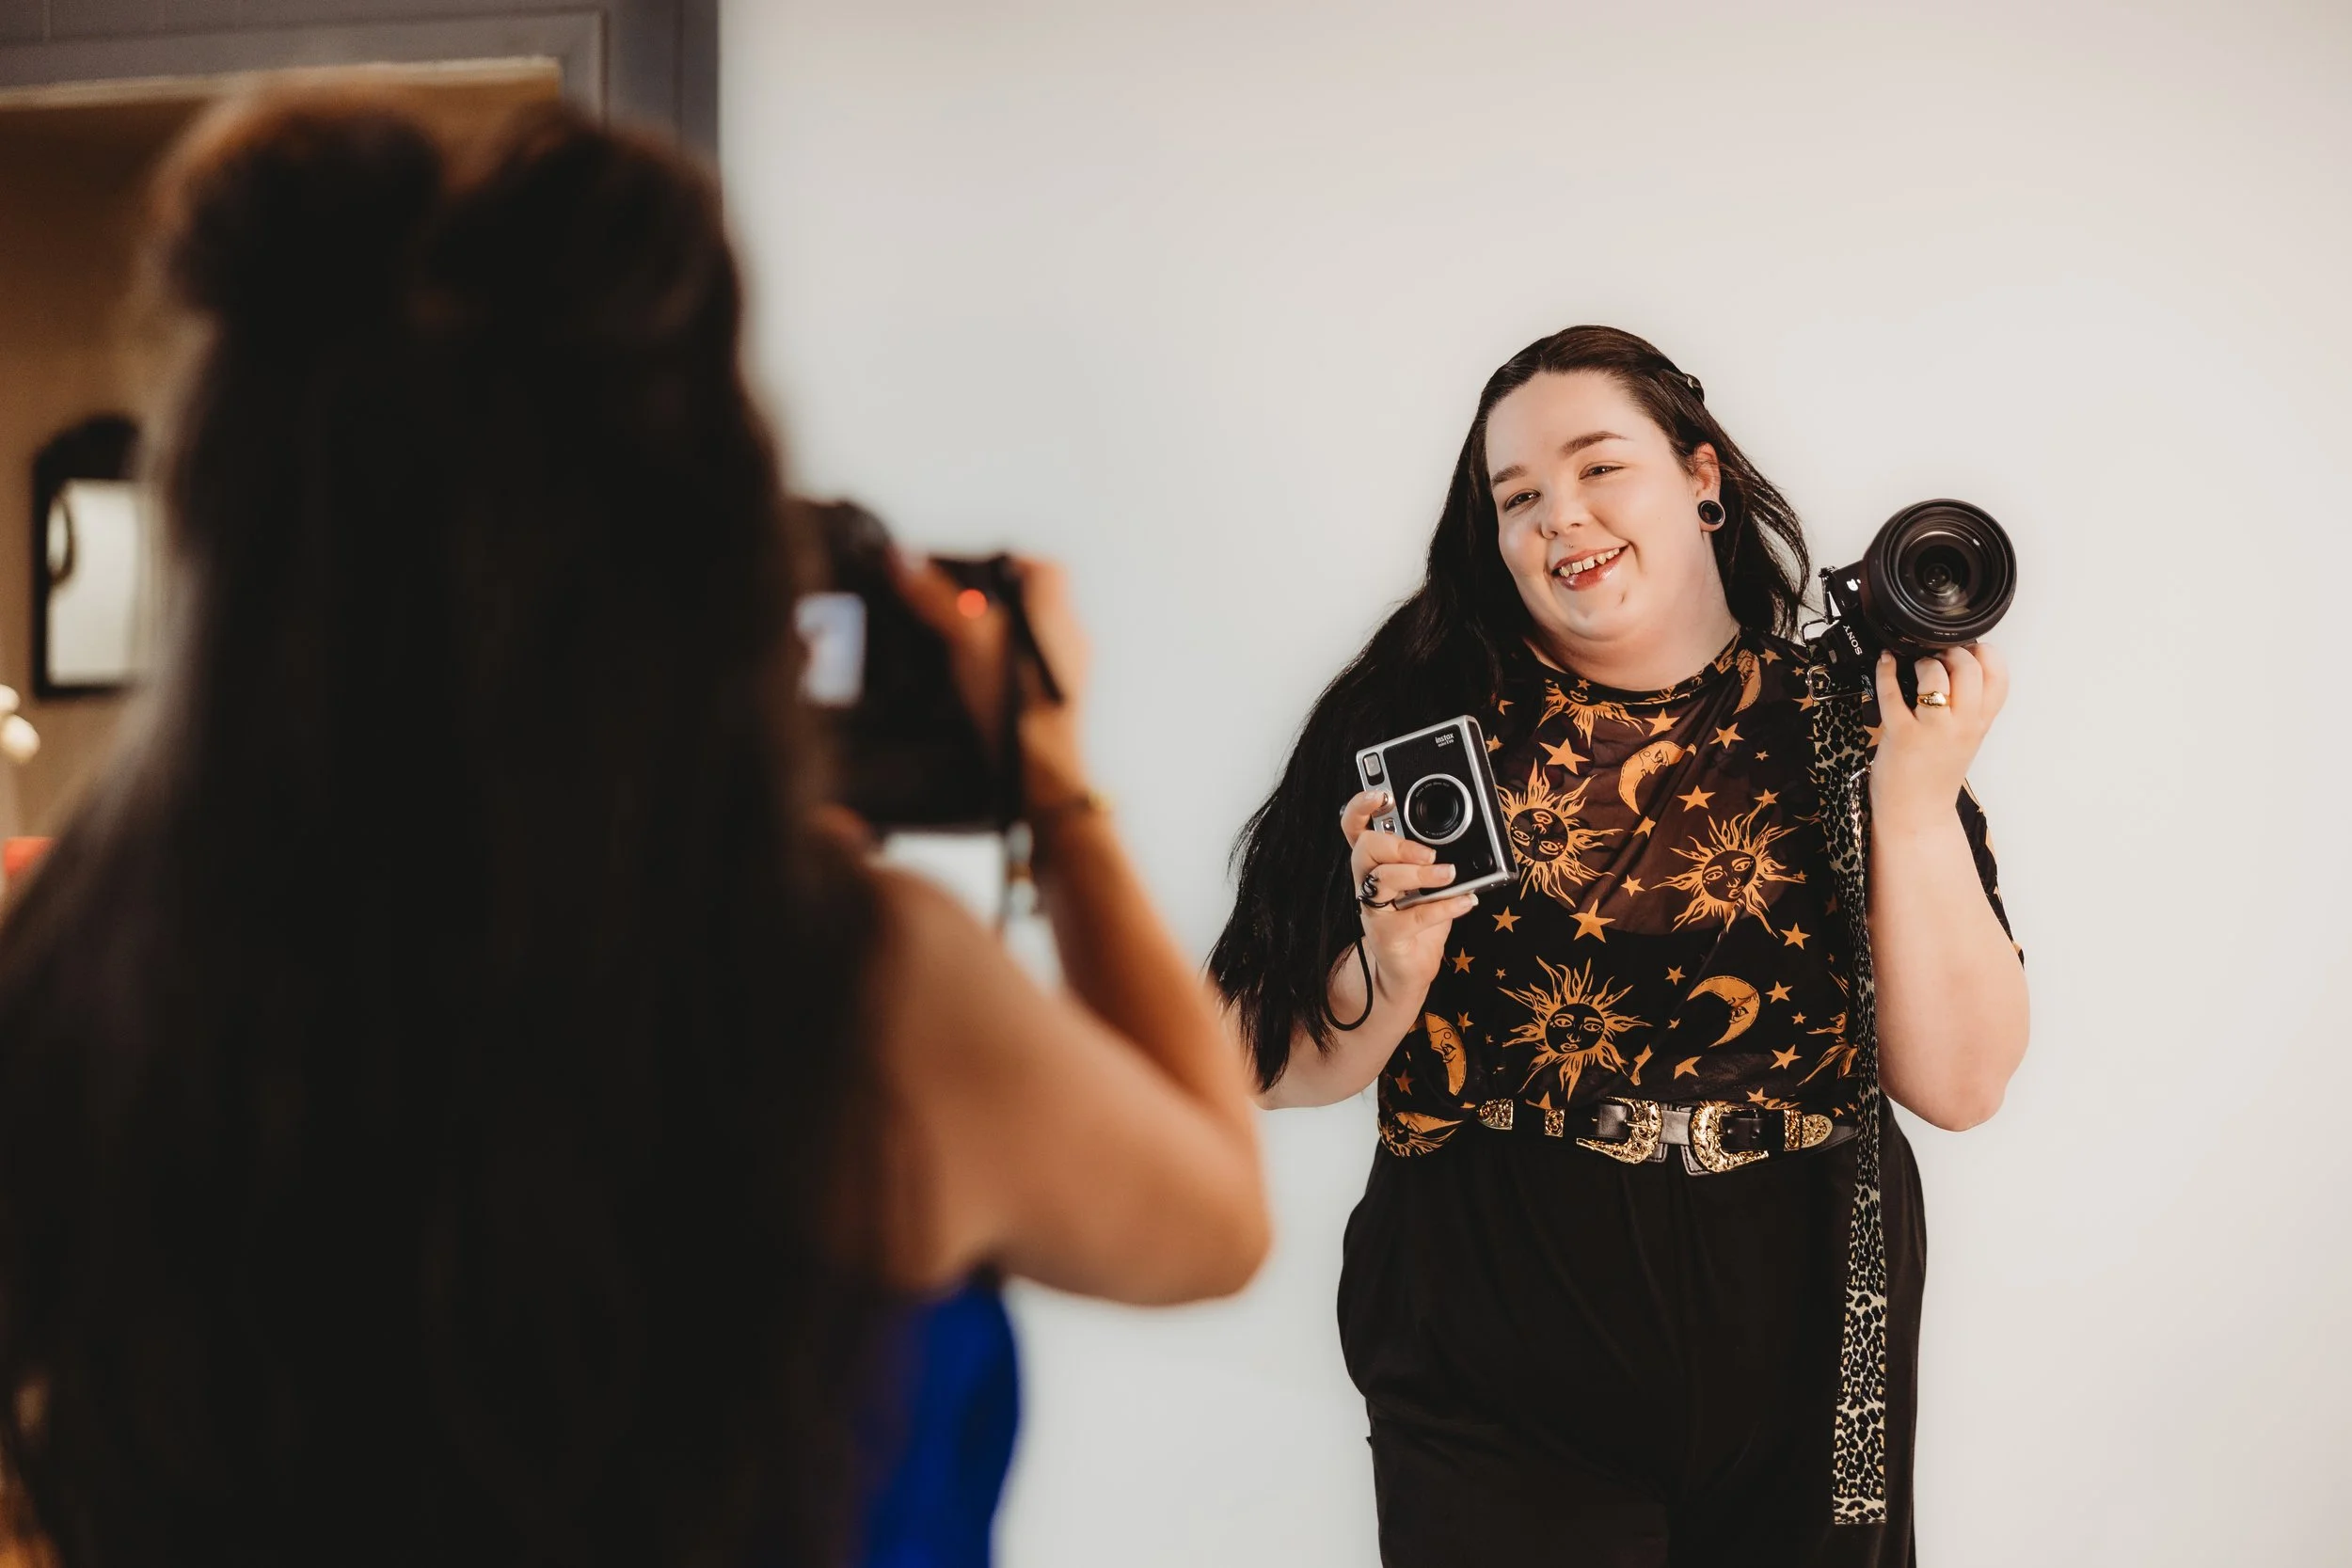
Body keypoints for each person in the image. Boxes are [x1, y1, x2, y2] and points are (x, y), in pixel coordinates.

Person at [0, 96, 1266, 1568]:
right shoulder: (853, 996)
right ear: (701, 548)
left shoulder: (85, 971)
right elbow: (1218, 1214)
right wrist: (1052, 781)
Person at [1211, 325, 2026, 1565]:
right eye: (1519, 496)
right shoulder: (1426, 718)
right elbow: (1253, 1054)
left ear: (1701, 476)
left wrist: (1912, 801)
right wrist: (1389, 975)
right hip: (1499, 1298)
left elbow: (1962, 1082)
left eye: (1599, 468)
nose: (1562, 518)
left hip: (1814, 1310)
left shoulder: (1852, 717)